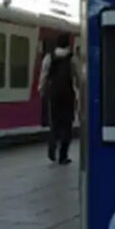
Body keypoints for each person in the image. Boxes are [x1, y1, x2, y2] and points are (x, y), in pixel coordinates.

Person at [40, 33, 78, 164]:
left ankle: (52, 150)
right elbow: (78, 77)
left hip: (53, 95)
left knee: (54, 123)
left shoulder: (49, 57)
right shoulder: (72, 58)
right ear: (68, 44)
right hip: (68, 96)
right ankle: (63, 156)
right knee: (67, 126)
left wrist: (42, 90)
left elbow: (44, 75)